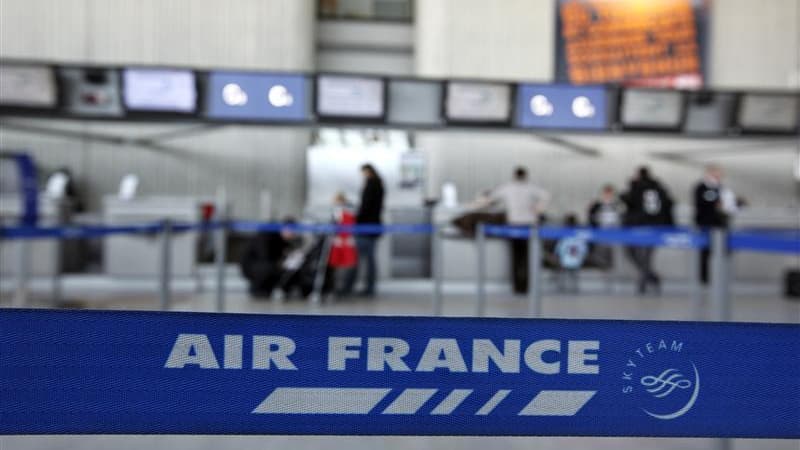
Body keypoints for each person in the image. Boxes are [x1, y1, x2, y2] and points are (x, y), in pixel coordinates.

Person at [485, 167, 551, 294]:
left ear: (514, 175)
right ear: (525, 176)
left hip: (514, 226)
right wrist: (538, 208)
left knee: (515, 258)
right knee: (526, 258)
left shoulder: (507, 187)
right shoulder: (531, 187)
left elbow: (491, 198)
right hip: (528, 225)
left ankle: (517, 287)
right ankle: (526, 287)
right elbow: (547, 195)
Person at [621, 167, 674, 295]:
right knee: (646, 257)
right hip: (656, 226)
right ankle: (650, 277)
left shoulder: (637, 187)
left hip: (638, 225)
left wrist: (629, 187)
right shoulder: (659, 188)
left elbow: (629, 201)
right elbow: (669, 203)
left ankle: (644, 282)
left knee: (633, 253)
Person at [693, 164, 738, 284]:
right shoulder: (700, 188)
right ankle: (704, 278)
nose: (719, 176)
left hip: (720, 225)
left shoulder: (721, 188)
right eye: (716, 174)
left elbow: (727, 205)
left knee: (723, 251)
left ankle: (719, 276)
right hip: (706, 224)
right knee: (705, 252)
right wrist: (716, 204)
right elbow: (702, 204)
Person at [239, 217, 301, 299]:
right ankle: (257, 289)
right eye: (291, 231)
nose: (293, 234)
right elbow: (263, 256)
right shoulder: (267, 235)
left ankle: (268, 289)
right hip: (252, 265)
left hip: (263, 264)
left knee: (280, 268)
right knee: (269, 268)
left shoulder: (283, 240)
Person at [348, 163, 385, 297]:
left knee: (360, 258)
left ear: (368, 172)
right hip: (373, 226)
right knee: (370, 259)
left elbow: (366, 206)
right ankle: (369, 287)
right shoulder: (379, 184)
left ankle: (351, 286)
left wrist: (356, 219)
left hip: (366, 226)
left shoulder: (371, 184)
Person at [327, 192, 358, 296]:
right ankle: (335, 288)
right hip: (337, 242)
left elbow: (350, 226)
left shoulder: (348, 212)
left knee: (347, 266)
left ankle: (345, 288)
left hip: (346, 242)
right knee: (335, 266)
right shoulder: (335, 212)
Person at [586, 184, 624, 269]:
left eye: (610, 194)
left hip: (614, 234)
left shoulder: (617, 205)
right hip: (601, 233)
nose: (608, 196)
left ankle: (612, 268)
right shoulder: (597, 205)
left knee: (613, 254)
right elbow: (591, 218)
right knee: (600, 253)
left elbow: (621, 218)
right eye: (606, 193)